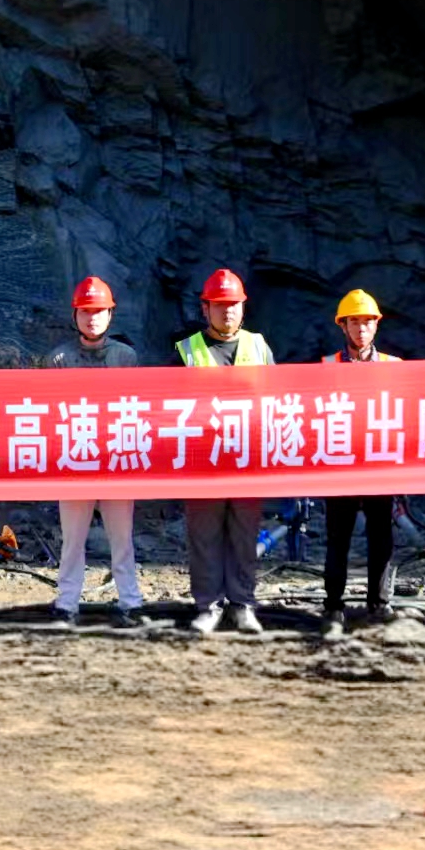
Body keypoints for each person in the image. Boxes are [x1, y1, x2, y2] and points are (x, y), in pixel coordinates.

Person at [46, 276, 149, 629]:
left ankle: (131, 602)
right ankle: (66, 603)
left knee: (122, 538)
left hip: (116, 459)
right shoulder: (58, 359)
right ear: (75, 315)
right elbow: (48, 413)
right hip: (74, 459)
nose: (92, 318)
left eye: (99, 311)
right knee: (72, 539)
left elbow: (137, 408)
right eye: (86, 312)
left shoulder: (125, 357)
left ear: (110, 315)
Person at [175, 268, 274, 635]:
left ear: (243, 308)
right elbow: (168, 405)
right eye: (219, 304)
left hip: (247, 460)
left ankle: (242, 605)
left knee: (245, 536)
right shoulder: (186, 351)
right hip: (204, 461)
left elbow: (275, 401)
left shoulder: (259, 346)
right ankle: (208, 606)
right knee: (204, 537)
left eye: (233, 304)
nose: (227, 310)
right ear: (205, 308)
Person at [319, 289, 401, 636]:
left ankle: (378, 604)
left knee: (381, 538)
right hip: (341, 468)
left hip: (379, 467)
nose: (361, 328)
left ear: (376, 325)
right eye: (355, 322)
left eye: (367, 322)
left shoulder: (394, 367)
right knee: (338, 539)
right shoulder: (327, 366)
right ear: (343, 326)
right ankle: (333, 606)